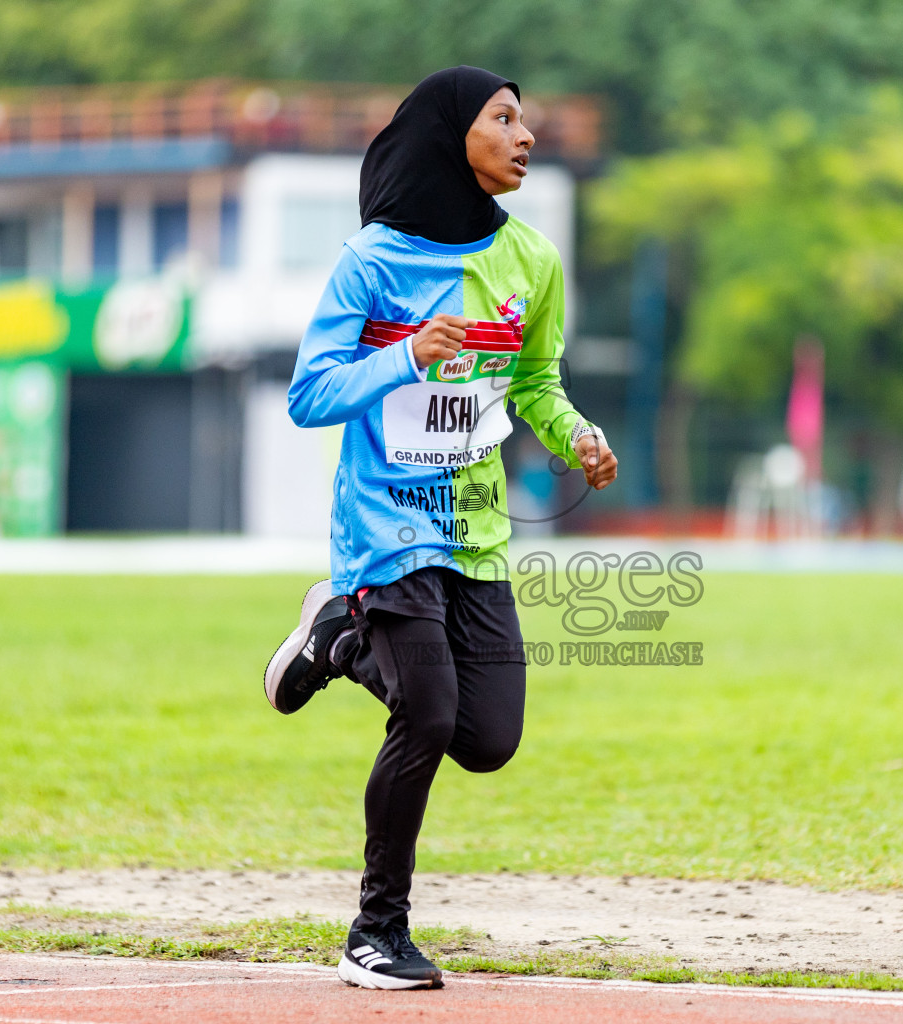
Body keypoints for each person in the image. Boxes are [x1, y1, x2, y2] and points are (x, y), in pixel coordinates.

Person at [262, 67, 617, 991]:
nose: (525, 135)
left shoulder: (533, 263)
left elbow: (535, 383)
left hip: (476, 530)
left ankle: (337, 641)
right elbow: (308, 394)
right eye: (503, 119)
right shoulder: (372, 262)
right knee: (426, 712)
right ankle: (375, 934)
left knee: (488, 737)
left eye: (526, 120)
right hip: (384, 524)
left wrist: (576, 435)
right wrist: (404, 356)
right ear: (450, 137)